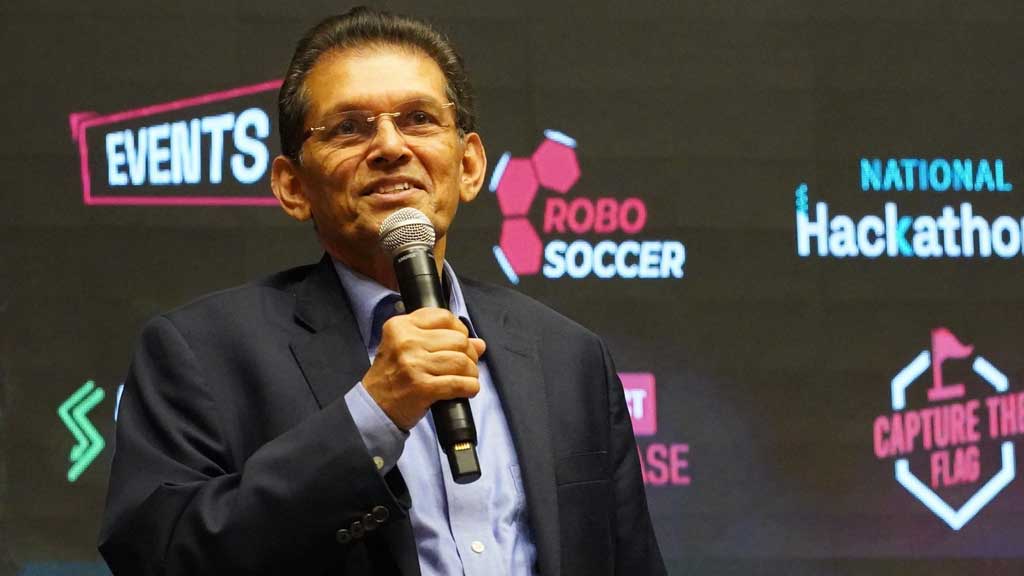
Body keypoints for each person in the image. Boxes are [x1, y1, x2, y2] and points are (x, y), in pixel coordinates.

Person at [98, 7, 665, 576]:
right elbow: (160, 556)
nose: (391, 146)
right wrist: (372, 415)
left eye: (419, 119)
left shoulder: (568, 356)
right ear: (293, 187)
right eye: (349, 127)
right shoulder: (202, 353)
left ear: (469, 166)